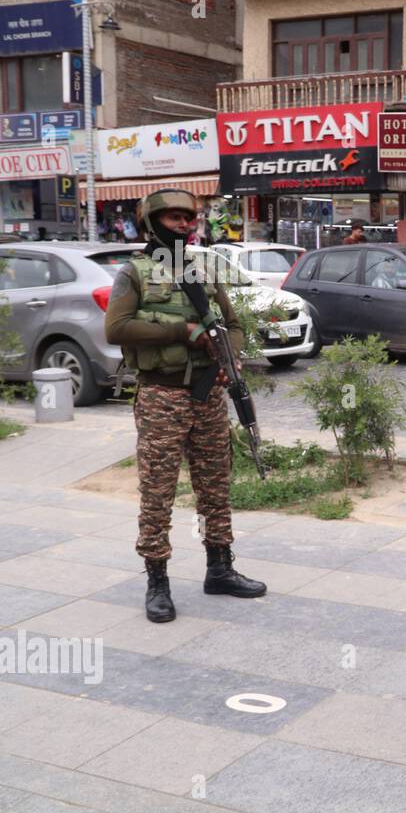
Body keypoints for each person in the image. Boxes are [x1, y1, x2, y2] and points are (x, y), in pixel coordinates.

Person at [104, 189, 267, 624]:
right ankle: (157, 581)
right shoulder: (134, 271)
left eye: (187, 218)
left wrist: (225, 358)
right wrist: (181, 331)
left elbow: (231, 324)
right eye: (173, 218)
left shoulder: (204, 269)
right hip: (162, 396)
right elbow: (116, 328)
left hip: (208, 393)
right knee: (158, 492)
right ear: (153, 222)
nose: (183, 225)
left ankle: (220, 568)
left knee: (215, 483)